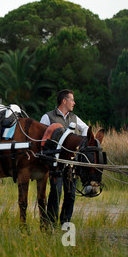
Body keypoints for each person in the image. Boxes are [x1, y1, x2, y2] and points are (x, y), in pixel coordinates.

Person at [40, 89, 89, 226]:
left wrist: (82, 143)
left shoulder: (74, 118)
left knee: (71, 194)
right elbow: (42, 137)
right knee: (56, 192)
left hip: (70, 163)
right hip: (55, 163)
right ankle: (50, 223)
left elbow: (85, 129)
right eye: (72, 100)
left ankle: (65, 222)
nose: (74, 103)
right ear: (64, 101)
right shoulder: (48, 117)